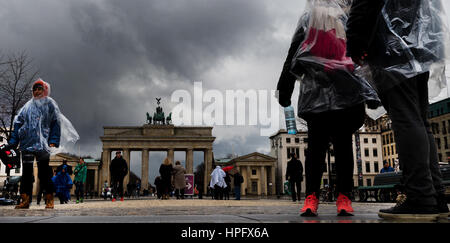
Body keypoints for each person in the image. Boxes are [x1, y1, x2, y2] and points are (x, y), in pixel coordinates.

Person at [347, 0, 450, 220]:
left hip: (391, 43)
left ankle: (421, 198)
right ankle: (436, 197)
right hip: (421, 40)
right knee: (420, 120)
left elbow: (364, 4)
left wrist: (355, 42)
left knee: (405, 118)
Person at [277, 0, 381, 217]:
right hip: (325, 93)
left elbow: (363, 52)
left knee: (329, 146)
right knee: (328, 147)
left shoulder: (342, 17)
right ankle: (327, 196)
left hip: (339, 92)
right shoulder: (321, 18)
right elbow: (295, 51)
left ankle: (329, 197)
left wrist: (285, 87)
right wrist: (285, 85)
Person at [8, 79, 63, 209]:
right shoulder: (27, 106)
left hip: (42, 145)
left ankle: (49, 199)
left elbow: (56, 123)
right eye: (35, 89)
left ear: (45, 90)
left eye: (40, 89)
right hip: (27, 144)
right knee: (26, 173)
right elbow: (18, 123)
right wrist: (13, 141)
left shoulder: (50, 104)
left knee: (44, 173)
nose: (37, 91)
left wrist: (53, 141)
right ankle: (25, 199)